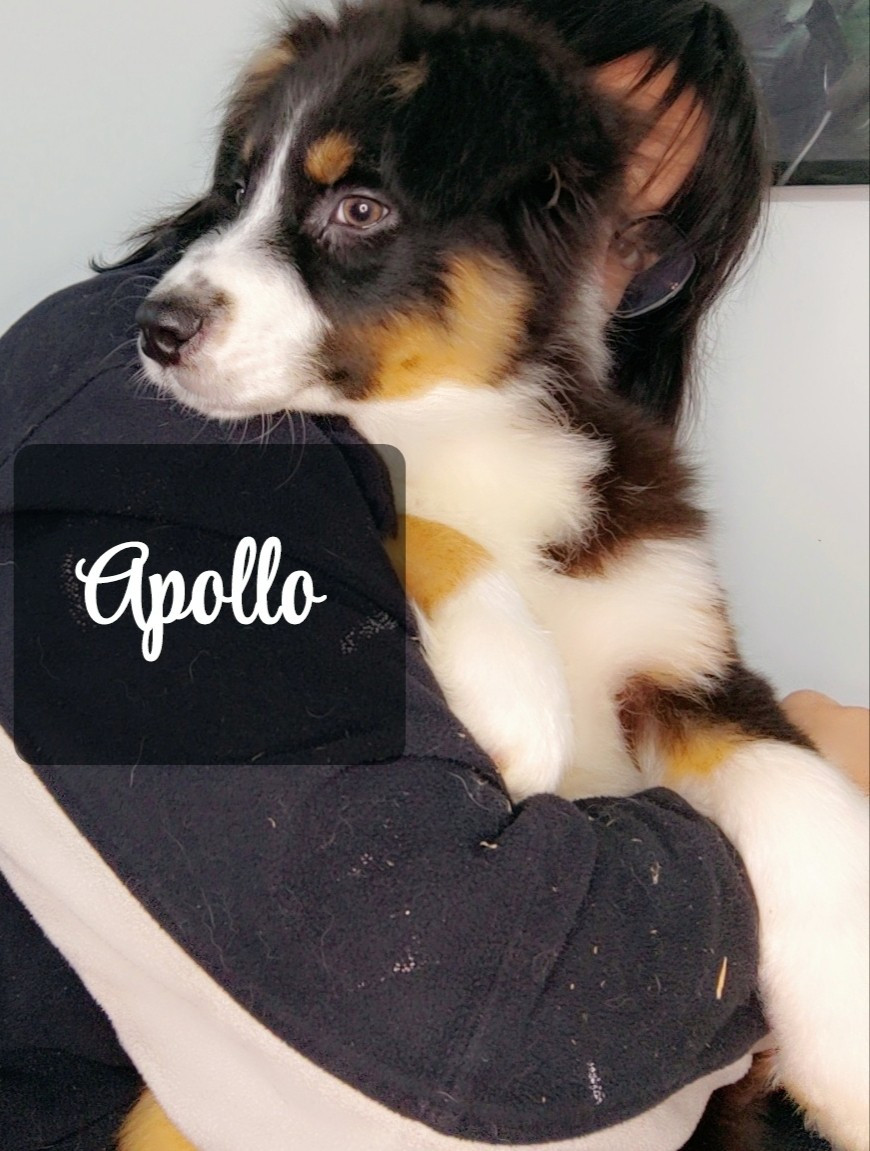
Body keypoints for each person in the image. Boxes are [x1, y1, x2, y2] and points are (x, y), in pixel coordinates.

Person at [0, 2, 866, 1150]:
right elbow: (437, 1026)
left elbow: (696, 722)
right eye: (561, 188)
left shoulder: (587, 475)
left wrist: (801, 825)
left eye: (637, 240)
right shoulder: (130, 425)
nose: (580, 268)